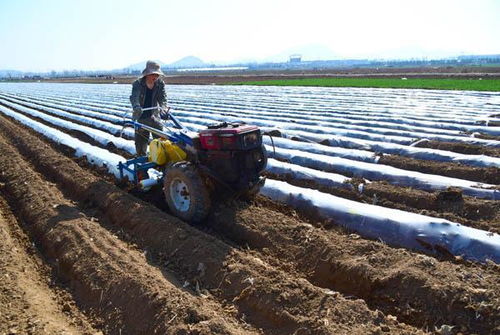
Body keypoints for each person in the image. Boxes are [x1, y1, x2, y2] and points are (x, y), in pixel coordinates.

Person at [129, 60, 169, 156]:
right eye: (153, 74)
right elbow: (134, 97)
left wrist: (163, 107)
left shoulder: (160, 84)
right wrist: (136, 106)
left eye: (157, 75)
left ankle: (160, 162)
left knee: (160, 141)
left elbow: (162, 97)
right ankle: (141, 166)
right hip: (141, 117)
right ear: (147, 74)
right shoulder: (138, 84)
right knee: (141, 143)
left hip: (154, 116)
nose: (155, 77)